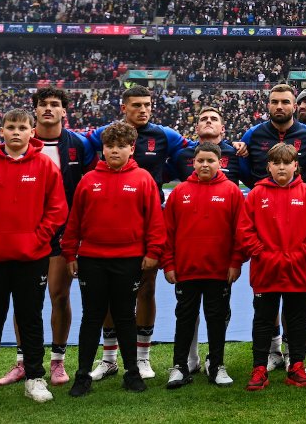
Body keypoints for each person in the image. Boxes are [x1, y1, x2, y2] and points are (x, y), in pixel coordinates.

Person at [0, 109, 68, 409]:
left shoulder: (45, 165)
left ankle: (35, 377)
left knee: (30, 318)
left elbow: (57, 209)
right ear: (2, 131)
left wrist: (37, 239)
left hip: (31, 258)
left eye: (22, 127)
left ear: (32, 132)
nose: (16, 132)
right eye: (11, 127)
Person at [85, 86, 187, 380]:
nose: (143, 110)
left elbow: (192, 151)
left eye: (147, 105)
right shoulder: (106, 133)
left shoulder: (164, 135)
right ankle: (108, 359)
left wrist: (236, 146)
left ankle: (143, 357)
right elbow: (79, 146)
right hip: (109, 221)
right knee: (106, 296)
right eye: (137, 105)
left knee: (146, 289)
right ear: (124, 107)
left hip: (148, 222)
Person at [63, 122, 165, 396]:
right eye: (110, 146)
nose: (115, 151)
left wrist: (153, 252)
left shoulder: (143, 179)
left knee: (125, 316)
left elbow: (155, 221)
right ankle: (82, 375)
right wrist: (70, 252)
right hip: (92, 259)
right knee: (92, 317)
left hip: (129, 259)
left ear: (132, 149)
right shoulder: (88, 180)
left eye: (121, 146)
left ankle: (132, 372)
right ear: (102, 150)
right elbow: (74, 221)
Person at [1, 87, 92, 386]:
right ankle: (24, 362)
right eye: (43, 105)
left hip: (63, 233)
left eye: (55, 104)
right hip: (24, 232)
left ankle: (57, 361)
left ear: (65, 110)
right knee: (25, 299)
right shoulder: (22, 143)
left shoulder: (78, 144)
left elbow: (87, 188)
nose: (49, 109)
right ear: (35, 111)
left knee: (59, 295)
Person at [238, 84, 306, 372]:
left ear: (294, 105)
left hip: (298, 223)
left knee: (297, 308)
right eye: (274, 101)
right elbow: (242, 164)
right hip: (267, 217)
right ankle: (272, 353)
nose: (280, 106)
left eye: (285, 101)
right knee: (265, 309)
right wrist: (262, 188)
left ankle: (295, 355)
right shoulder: (253, 134)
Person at [161, 142, 245, 389]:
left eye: (210, 160)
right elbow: (168, 233)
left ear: (221, 163)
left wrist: (235, 263)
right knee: (184, 317)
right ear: (193, 163)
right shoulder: (179, 192)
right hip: (186, 270)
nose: (205, 165)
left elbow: (240, 233)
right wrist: (169, 264)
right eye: (201, 161)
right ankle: (179, 366)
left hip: (219, 271)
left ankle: (217, 365)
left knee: (217, 318)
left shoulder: (231, 191)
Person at [173, 107, 240, 185]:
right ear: (197, 129)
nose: (208, 121)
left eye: (214, 119)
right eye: (203, 119)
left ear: (222, 129)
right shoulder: (182, 155)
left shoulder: (236, 154)